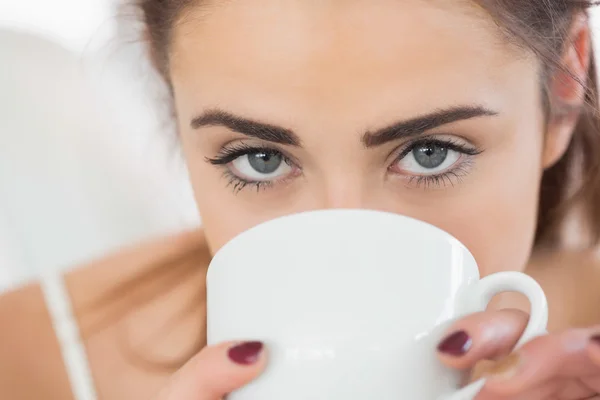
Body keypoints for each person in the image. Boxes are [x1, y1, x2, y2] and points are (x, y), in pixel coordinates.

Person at [2, 0, 600, 399]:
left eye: (429, 152)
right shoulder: (26, 365)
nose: (346, 252)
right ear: (169, 92)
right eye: (260, 158)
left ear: (564, 86)